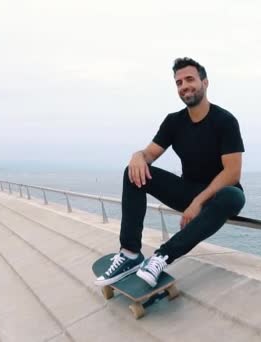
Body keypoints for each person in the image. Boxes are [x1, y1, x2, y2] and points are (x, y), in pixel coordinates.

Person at [95, 57, 245, 288]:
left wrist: (198, 202)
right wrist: (138, 156)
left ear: (205, 83)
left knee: (234, 195)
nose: (184, 86)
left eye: (190, 79)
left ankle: (161, 257)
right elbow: (149, 154)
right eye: (179, 82)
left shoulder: (224, 121)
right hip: (188, 192)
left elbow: (233, 173)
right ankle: (130, 253)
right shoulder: (174, 122)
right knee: (133, 173)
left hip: (218, 197)